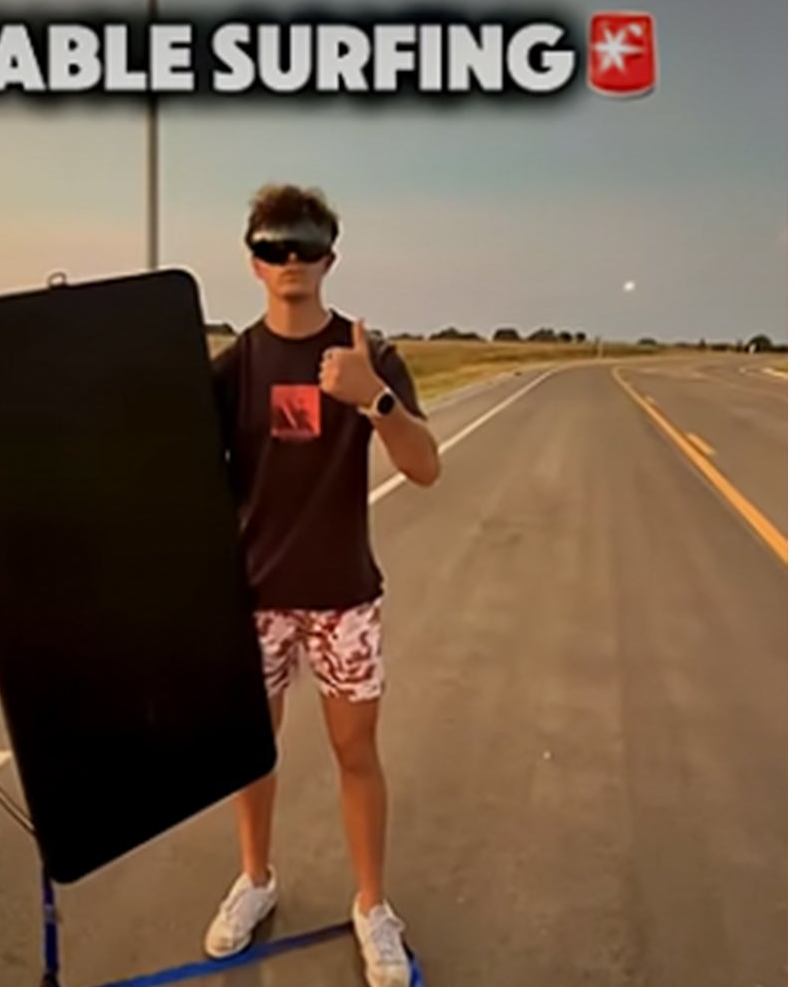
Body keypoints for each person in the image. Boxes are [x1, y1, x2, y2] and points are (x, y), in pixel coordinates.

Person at [204, 183, 441, 987]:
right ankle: (255, 878)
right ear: (254, 262)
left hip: (343, 594)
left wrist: (369, 397)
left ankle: (372, 905)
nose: (291, 260)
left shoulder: (369, 355)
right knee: (250, 752)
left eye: (305, 245)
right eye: (274, 247)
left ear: (330, 258)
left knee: (355, 752)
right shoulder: (235, 365)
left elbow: (425, 468)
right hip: (257, 593)